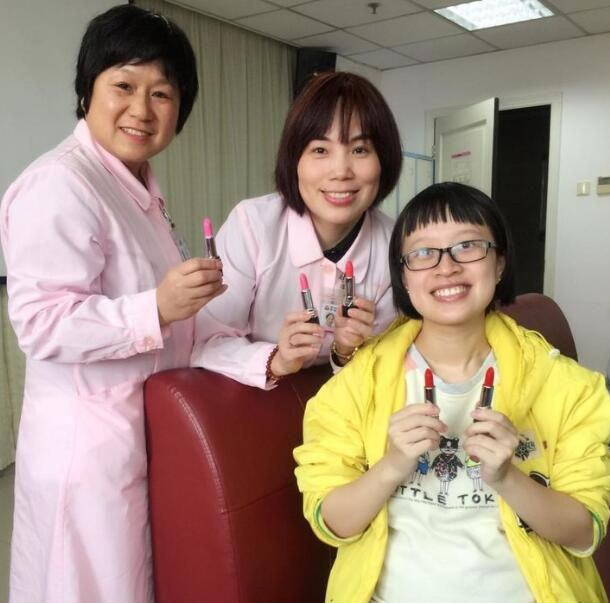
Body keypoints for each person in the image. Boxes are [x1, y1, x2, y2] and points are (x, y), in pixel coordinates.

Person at [0, 5, 225, 602]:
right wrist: (157, 307)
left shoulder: (135, 188)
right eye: (124, 86)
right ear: (87, 91)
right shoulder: (61, 184)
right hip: (86, 453)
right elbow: (42, 323)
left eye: (162, 94)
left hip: (134, 437)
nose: (141, 110)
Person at [294, 182, 610, 603]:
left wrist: (509, 479)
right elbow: (331, 523)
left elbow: (585, 531)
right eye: (423, 252)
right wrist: (390, 466)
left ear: (499, 263)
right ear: (403, 276)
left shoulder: (571, 388)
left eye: (468, 246)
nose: (446, 267)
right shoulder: (354, 387)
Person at [191, 71, 402, 388]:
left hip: (348, 404)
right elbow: (207, 341)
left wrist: (345, 351)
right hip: (250, 400)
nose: (341, 171)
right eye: (320, 150)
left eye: (360, 150)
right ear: (294, 159)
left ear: (384, 160)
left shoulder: (394, 245)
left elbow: (389, 365)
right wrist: (277, 359)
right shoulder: (253, 226)